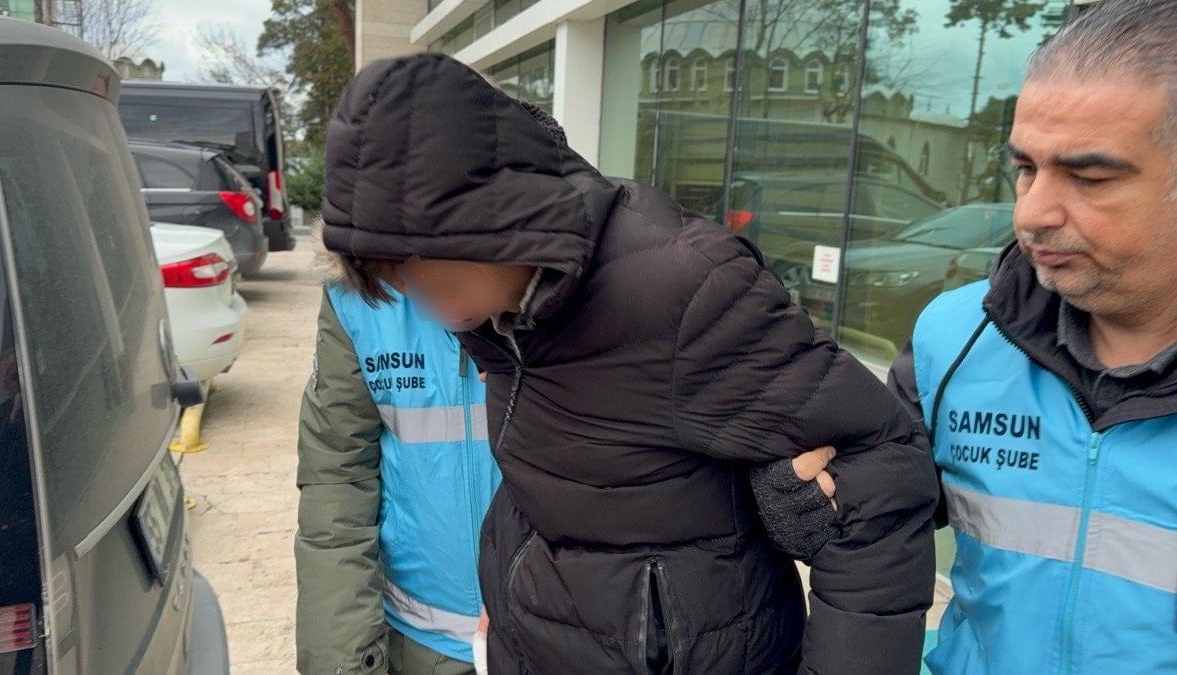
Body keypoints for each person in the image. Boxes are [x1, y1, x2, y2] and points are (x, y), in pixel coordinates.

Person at [320, 52, 938, 674]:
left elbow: (883, 470)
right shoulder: (496, 309)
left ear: (493, 218)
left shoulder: (684, 287)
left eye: (426, 271)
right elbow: (561, 465)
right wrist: (506, 591)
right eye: (396, 278)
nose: (419, 298)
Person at [887, 1, 1177, 672]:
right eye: (1025, 168)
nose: (1033, 211)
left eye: (1088, 177)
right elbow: (869, 515)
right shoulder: (954, 335)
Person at [295, 238, 501, 675]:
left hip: (562, 636)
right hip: (422, 643)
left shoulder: (569, 280)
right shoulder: (355, 290)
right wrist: (344, 659)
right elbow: (337, 478)